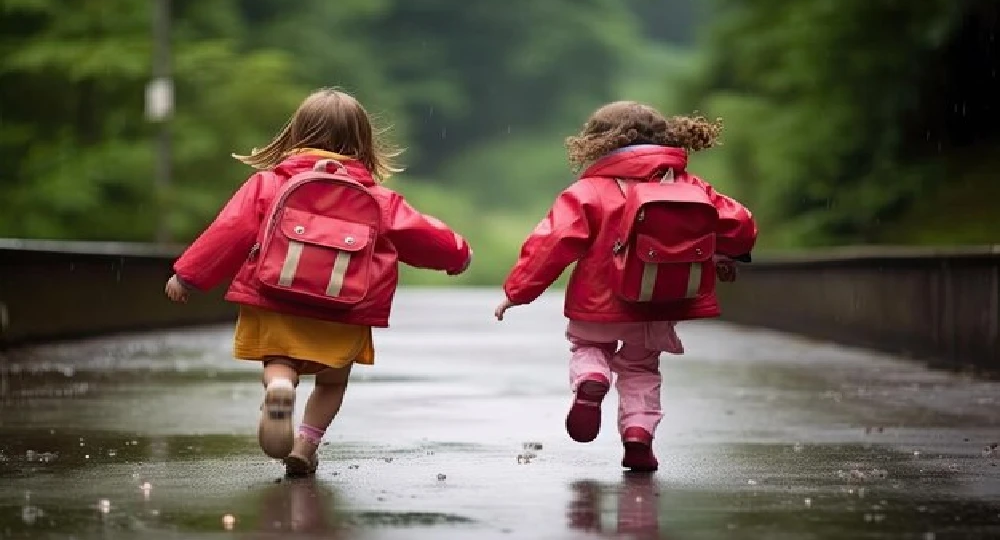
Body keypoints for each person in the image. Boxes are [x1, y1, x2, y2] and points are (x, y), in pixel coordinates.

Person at [164, 89, 472, 476]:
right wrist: (457, 254)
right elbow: (420, 233)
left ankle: (280, 386)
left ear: (295, 133)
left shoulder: (268, 184)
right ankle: (306, 444)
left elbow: (230, 230)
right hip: (343, 308)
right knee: (331, 380)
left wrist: (189, 274)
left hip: (274, 296)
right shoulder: (377, 198)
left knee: (279, 359)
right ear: (363, 141)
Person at [495, 101, 756, 472]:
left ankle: (591, 377)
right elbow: (739, 224)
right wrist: (730, 253)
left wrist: (517, 291)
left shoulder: (588, 191)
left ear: (598, 145)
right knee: (641, 370)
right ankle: (638, 434)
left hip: (597, 303)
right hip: (658, 300)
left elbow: (552, 243)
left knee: (588, 346)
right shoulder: (688, 186)